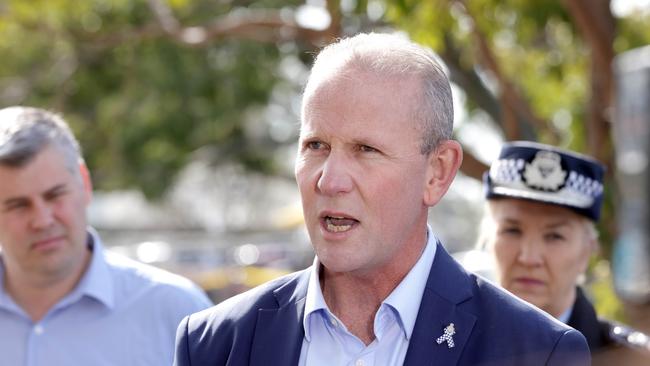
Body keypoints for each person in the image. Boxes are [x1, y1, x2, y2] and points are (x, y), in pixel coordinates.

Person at [174, 33, 590, 366]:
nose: (330, 180)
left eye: (365, 150)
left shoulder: (539, 352)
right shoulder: (213, 345)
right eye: (316, 145)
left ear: (438, 171)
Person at [0, 106, 213, 366]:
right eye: (18, 205)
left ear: (85, 183)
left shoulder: (178, 312)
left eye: (55, 195)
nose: (43, 220)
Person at [481, 141, 650, 364]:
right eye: (512, 230)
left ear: (588, 250)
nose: (529, 258)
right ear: (487, 238)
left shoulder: (631, 359)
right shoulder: (446, 342)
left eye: (554, 236)